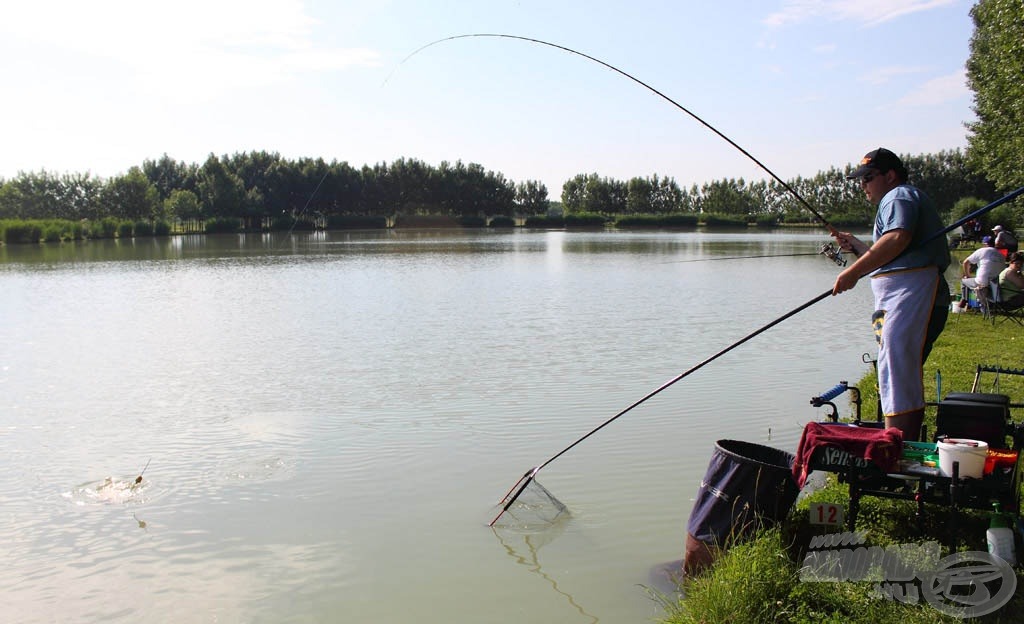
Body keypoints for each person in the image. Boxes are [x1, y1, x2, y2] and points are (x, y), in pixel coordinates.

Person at [831, 148, 950, 441]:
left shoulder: (898, 196)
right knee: (894, 365)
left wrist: (853, 272)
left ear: (890, 175)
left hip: (913, 292)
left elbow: (898, 238)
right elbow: (895, 251)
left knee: (898, 365)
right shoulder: (894, 200)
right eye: (860, 180)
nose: (863, 186)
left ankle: (895, 447)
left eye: (868, 178)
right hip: (899, 295)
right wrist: (860, 248)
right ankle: (897, 442)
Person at [959, 236, 1005, 308]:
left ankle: (964, 301)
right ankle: (972, 304)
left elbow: (965, 262)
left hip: (982, 282)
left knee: (964, 281)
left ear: (985, 244)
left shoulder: (982, 250)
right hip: (996, 284)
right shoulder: (1001, 254)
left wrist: (967, 275)